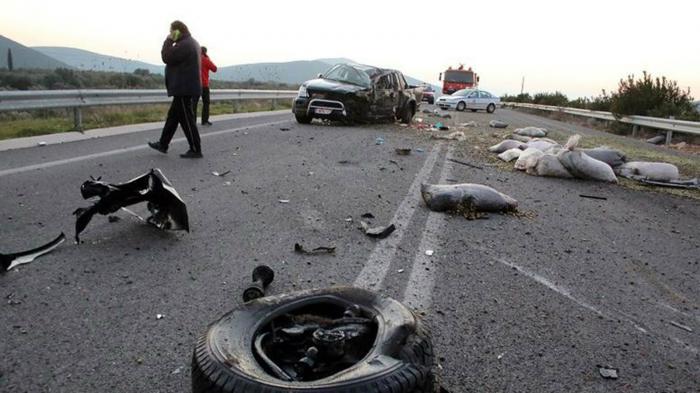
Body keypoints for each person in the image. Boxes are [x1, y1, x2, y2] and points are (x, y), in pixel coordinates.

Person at [148, 20, 203, 158]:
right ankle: (163, 144)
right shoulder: (192, 42)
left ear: (177, 31)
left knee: (187, 120)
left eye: (171, 31)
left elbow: (166, 57)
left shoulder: (184, 44)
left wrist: (168, 40)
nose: (170, 33)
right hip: (186, 87)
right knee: (173, 117)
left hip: (184, 88)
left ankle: (196, 149)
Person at [194, 46, 217, 126]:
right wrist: (208, 58)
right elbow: (214, 69)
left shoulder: (194, 59)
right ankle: (204, 121)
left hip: (195, 85)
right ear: (205, 52)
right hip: (204, 85)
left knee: (194, 104)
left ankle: (192, 122)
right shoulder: (205, 59)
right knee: (206, 103)